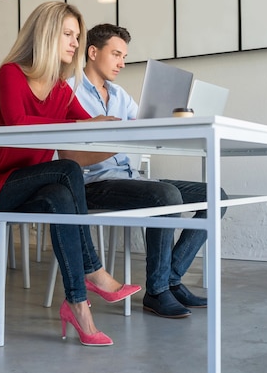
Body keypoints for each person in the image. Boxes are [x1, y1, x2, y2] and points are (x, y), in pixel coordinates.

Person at [0, 2, 141, 346]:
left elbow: (87, 123)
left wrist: (125, 126)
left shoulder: (59, 89)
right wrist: (80, 122)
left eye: (76, 35)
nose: (74, 43)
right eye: (67, 34)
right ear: (45, 35)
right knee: (67, 169)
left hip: (24, 187)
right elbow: (17, 124)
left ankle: (78, 306)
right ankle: (95, 272)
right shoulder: (11, 73)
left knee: (59, 196)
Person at [61, 23, 228, 319]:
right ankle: (157, 291)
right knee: (165, 195)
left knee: (217, 196)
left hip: (130, 179)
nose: (122, 63)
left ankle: (170, 279)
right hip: (93, 183)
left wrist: (177, 119)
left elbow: (147, 128)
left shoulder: (120, 94)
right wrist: (128, 135)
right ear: (93, 52)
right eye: (116, 54)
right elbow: (69, 153)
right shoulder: (68, 91)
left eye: (124, 56)